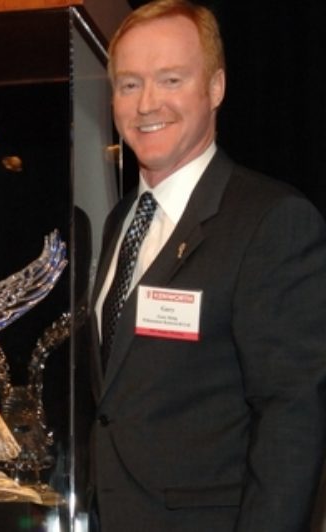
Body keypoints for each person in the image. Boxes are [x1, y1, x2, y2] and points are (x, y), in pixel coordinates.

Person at [89, 1, 326, 530]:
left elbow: (292, 416)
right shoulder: (121, 221)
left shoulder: (272, 221)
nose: (147, 103)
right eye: (129, 85)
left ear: (215, 88)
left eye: (170, 79)